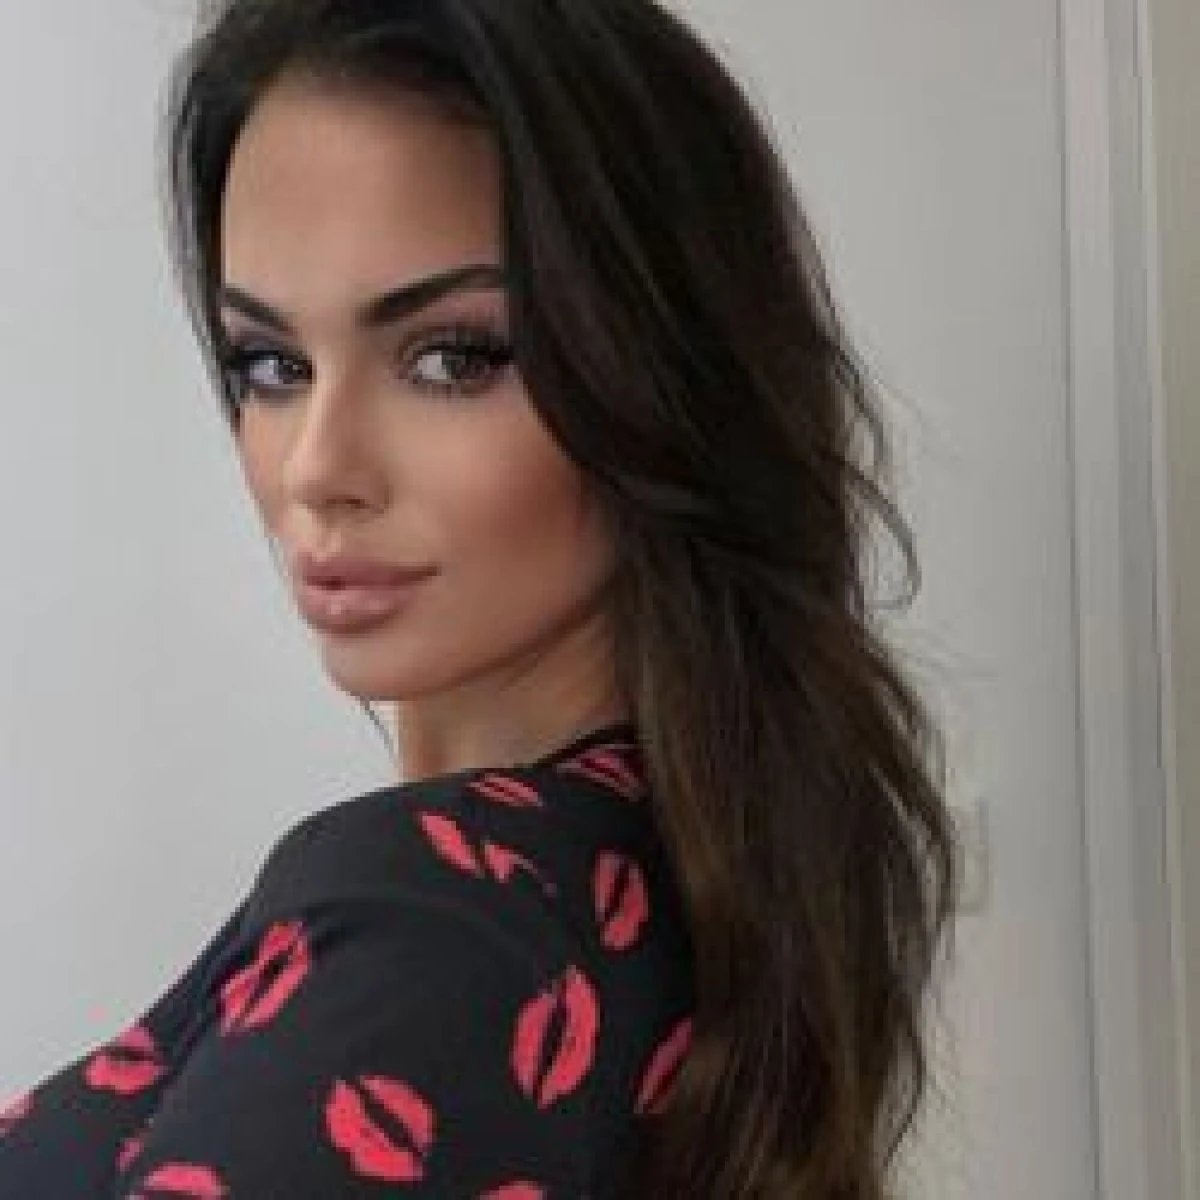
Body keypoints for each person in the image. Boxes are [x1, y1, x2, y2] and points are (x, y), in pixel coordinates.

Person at [0, 0, 959, 1196]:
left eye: (453, 357)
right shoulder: (673, 881)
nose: (317, 469)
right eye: (272, 365)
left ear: (665, 375)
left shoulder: (440, 922)